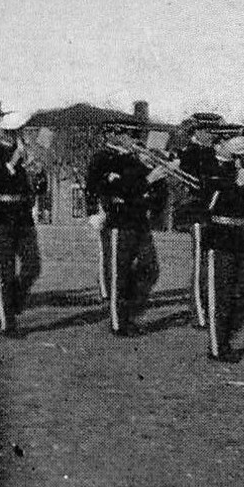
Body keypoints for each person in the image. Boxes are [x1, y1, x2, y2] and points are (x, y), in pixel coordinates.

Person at [85, 120, 168, 337]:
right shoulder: (103, 159)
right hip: (118, 221)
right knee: (119, 274)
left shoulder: (137, 160)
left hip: (139, 220)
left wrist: (156, 175)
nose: (134, 140)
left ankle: (128, 310)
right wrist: (148, 178)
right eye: (130, 135)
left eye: (135, 135)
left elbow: (154, 191)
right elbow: (114, 188)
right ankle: (119, 323)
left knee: (150, 268)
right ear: (114, 134)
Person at [199, 137, 244, 362]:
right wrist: (238, 182)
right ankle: (218, 347)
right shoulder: (213, 169)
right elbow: (210, 204)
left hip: (243, 240)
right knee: (221, 297)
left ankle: (226, 336)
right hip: (220, 239)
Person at [0, 113, 42, 335]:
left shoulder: (26, 155)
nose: (12, 134)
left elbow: (39, 189)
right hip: (2, 216)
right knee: (5, 272)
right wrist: (13, 161)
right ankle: (8, 324)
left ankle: (14, 299)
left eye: (15, 130)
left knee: (33, 266)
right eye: (7, 130)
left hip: (23, 215)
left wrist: (37, 172)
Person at [176, 115, 226, 330]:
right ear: (198, 131)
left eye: (214, 131)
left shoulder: (215, 152)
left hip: (213, 213)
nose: (213, 136)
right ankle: (198, 312)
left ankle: (209, 305)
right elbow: (192, 185)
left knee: (211, 263)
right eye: (209, 131)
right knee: (200, 264)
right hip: (197, 213)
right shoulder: (189, 153)